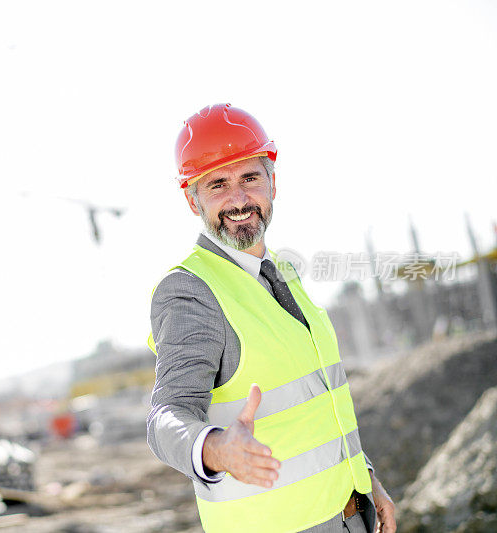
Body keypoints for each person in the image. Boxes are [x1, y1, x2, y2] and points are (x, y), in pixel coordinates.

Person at [146, 104, 396, 533]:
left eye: (250, 178)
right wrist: (217, 449)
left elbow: (319, 402)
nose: (239, 199)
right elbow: (166, 415)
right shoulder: (191, 291)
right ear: (192, 199)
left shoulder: (282, 271)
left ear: (273, 182)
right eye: (218, 184)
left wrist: (364, 478)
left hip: (349, 514)